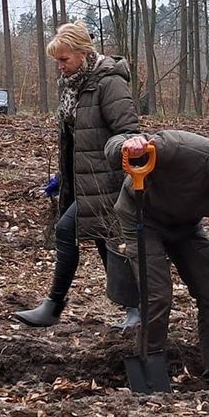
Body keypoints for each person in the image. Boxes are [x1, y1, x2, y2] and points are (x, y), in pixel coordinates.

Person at [104, 130, 209, 392]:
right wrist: (126, 145)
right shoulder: (178, 148)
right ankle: (150, 369)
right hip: (142, 217)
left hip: (185, 226)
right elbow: (113, 144)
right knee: (158, 294)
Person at [13, 22, 141, 329]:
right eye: (57, 60)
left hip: (108, 182)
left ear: (83, 54)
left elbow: (128, 132)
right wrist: (64, 175)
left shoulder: (109, 84)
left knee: (95, 239)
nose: (60, 67)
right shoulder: (73, 85)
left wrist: (119, 154)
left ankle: (133, 309)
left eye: (64, 60)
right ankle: (130, 310)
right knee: (95, 240)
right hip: (82, 180)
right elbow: (75, 135)